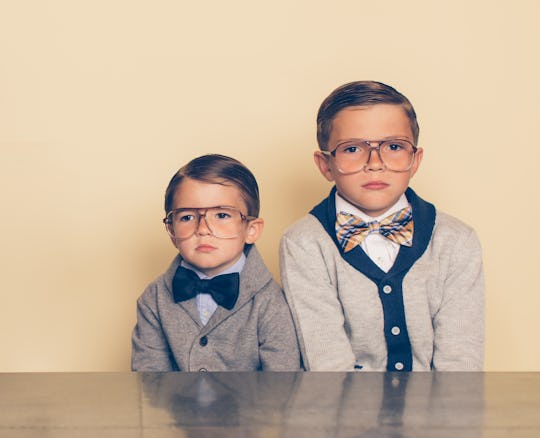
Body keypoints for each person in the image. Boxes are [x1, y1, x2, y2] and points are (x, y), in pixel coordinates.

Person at [280, 81, 484, 371]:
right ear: (325, 165)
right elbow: (327, 364)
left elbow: (461, 365)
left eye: (393, 146)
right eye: (352, 148)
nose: (375, 163)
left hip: (437, 412)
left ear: (415, 160)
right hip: (343, 413)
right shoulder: (302, 243)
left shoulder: (457, 241)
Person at [132, 154, 300, 371]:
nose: (203, 229)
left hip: (255, 405)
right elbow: (149, 381)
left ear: (251, 230)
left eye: (221, 215)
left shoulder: (272, 305)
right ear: (171, 231)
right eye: (187, 217)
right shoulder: (153, 299)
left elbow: (282, 385)